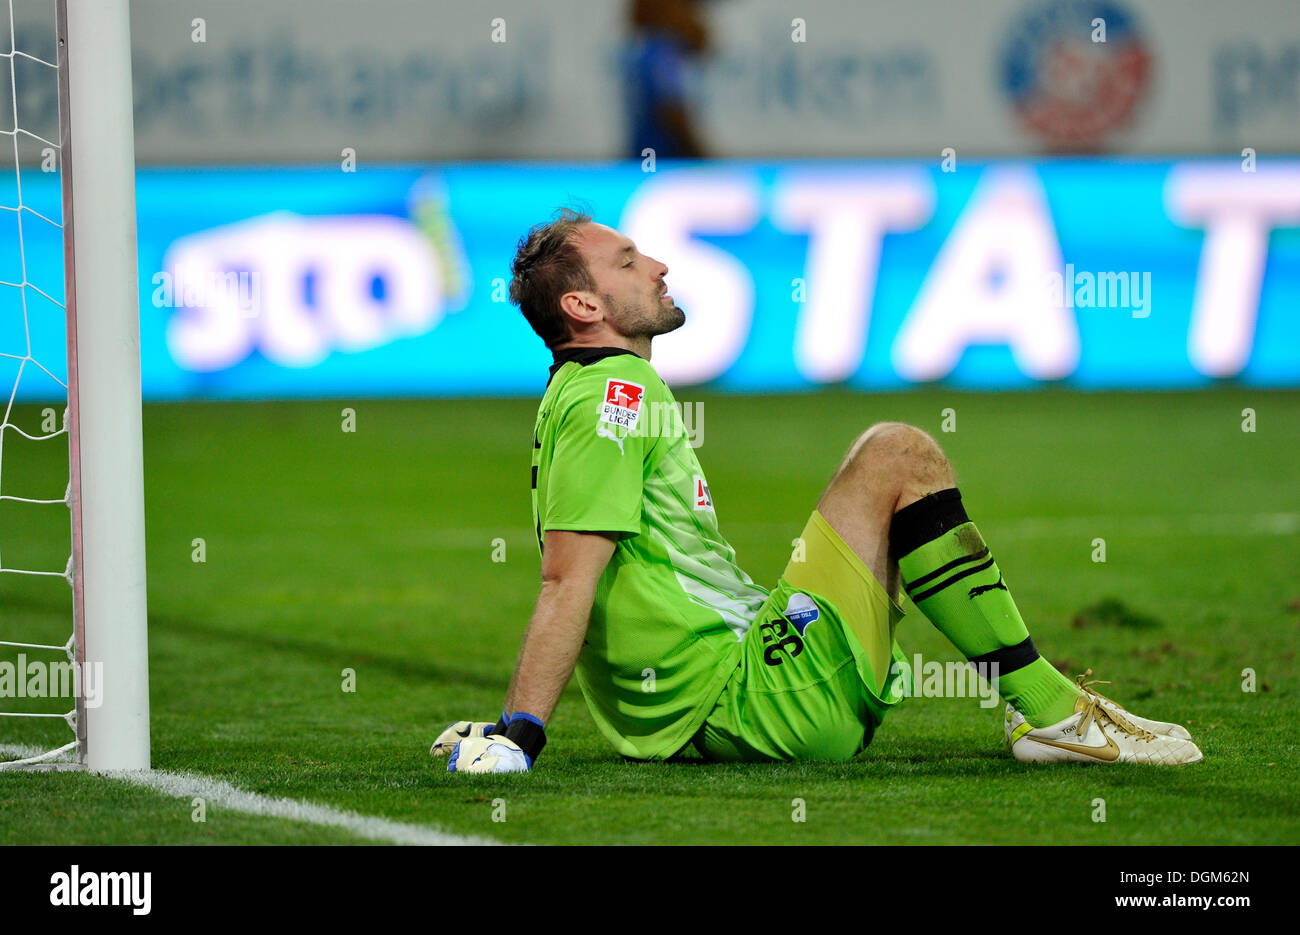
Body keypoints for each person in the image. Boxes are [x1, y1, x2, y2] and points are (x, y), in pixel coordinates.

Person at [431, 208, 1203, 773]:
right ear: (584, 306)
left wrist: (505, 722)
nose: (659, 265)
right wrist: (520, 733)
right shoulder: (614, 394)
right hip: (743, 703)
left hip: (725, 696)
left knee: (887, 469)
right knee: (899, 452)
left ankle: (1044, 708)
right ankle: (1054, 710)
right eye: (629, 261)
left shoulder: (586, 390)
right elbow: (568, 577)